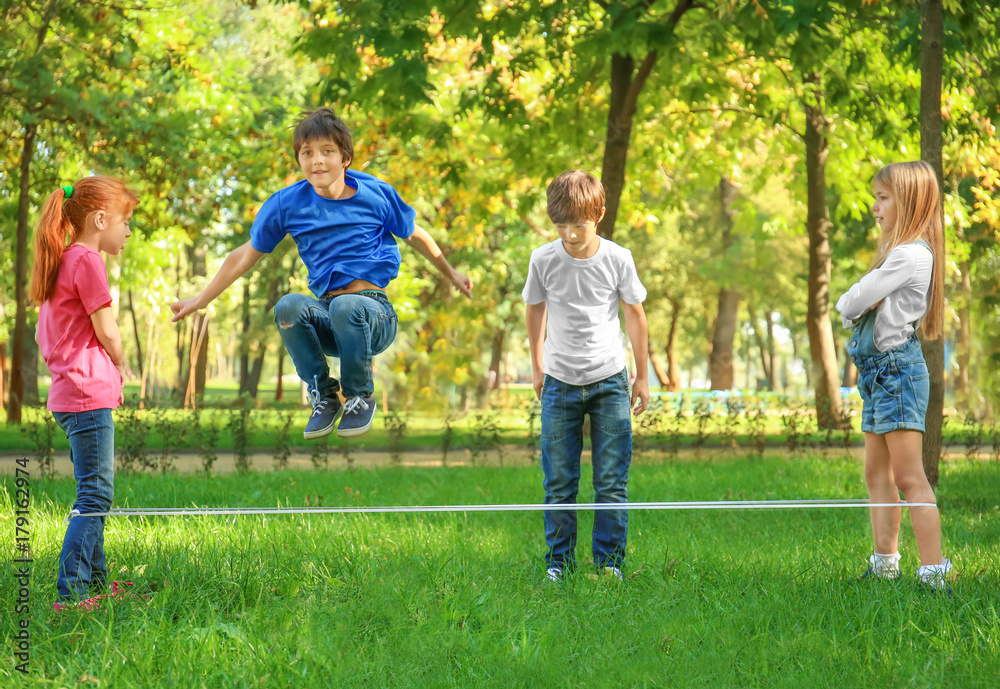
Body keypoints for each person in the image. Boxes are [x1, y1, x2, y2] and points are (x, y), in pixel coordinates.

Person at [171, 108, 471, 438]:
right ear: (299, 160)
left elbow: (415, 235)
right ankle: (324, 395)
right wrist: (201, 299)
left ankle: (358, 396)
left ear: (346, 158)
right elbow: (244, 255)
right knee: (287, 306)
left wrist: (451, 273)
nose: (317, 161)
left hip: (375, 317)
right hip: (330, 315)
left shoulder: (376, 194)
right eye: (307, 153)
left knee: (348, 306)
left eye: (327, 151)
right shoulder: (287, 204)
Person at [522, 170, 650, 583]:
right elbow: (535, 308)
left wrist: (642, 375)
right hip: (559, 381)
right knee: (559, 481)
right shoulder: (543, 259)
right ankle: (559, 565)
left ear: (599, 214)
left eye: (578, 225)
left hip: (610, 379)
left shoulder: (618, 258)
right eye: (561, 226)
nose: (571, 235)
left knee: (611, 481)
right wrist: (538, 365)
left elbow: (634, 313)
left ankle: (609, 564)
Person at [836, 160, 951, 589]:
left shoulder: (909, 255)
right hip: (878, 376)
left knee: (908, 477)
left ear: (909, 201)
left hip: (897, 375)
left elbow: (850, 304)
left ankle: (934, 574)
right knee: (876, 475)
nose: (875, 207)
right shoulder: (895, 253)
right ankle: (885, 564)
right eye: (876, 198)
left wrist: (858, 299)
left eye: (883, 198)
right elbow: (859, 304)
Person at [31, 176, 137, 606]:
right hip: (85, 398)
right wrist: (122, 362)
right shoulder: (87, 260)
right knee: (95, 495)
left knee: (92, 492)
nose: (128, 231)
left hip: (73, 396)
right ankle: (72, 594)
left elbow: (51, 335)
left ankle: (96, 585)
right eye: (125, 222)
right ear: (99, 218)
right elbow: (105, 328)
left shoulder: (64, 260)